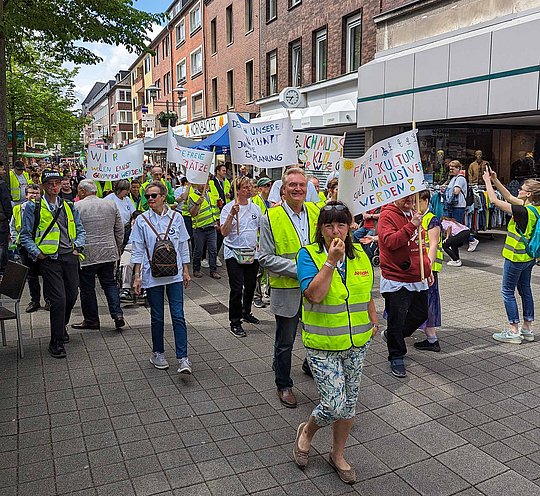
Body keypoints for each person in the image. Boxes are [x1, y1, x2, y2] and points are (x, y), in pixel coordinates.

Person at [293, 201, 377, 484]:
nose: (335, 230)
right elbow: (314, 295)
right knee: (333, 403)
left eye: (341, 223)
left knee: (349, 405)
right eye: (328, 224)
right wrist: (330, 262)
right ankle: (307, 431)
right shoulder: (309, 255)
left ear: (350, 226)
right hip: (323, 344)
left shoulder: (360, 254)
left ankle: (337, 454)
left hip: (356, 344)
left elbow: (366, 292)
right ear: (320, 228)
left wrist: (374, 320)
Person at [259, 167, 321, 408]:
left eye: (301, 185)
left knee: (315, 333)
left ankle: (309, 365)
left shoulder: (317, 212)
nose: (297, 189)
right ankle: (283, 384)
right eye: (292, 185)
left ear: (307, 189)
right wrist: (302, 269)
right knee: (285, 341)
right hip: (287, 290)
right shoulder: (270, 218)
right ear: (283, 190)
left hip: (316, 288)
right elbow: (265, 258)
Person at [19, 169, 85, 359]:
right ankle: (55, 341)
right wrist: (38, 254)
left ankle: (61, 326)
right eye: (50, 183)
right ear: (43, 186)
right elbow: (25, 235)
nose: (54, 186)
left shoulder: (69, 206)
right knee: (58, 300)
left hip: (69, 258)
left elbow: (80, 230)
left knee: (72, 295)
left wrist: (78, 247)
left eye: (57, 182)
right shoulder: (34, 207)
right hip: (50, 260)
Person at [131, 181, 192, 373]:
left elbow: (182, 245)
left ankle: (183, 358)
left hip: (174, 273)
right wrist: (137, 275)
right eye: (147, 196)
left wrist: (186, 270)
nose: (150, 199)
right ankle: (158, 353)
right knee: (157, 316)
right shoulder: (141, 220)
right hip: (152, 275)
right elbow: (138, 249)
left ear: (163, 196)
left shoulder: (177, 217)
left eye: (154, 195)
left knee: (178, 315)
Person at [378, 194, 432, 378]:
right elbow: (390, 242)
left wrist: (427, 268)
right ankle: (396, 354)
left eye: (412, 195)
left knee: (421, 314)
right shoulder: (387, 215)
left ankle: (394, 336)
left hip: (418, 276)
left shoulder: (414, 213)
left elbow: (421, 245)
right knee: (397, 318)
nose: (410, 199)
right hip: (397, 277)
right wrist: (411, 226)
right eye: (405, 196)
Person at [483, 169, 540, 344]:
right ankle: (528, 328)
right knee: (525, 290)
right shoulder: (534, 208)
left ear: (528, 194)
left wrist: (486, 181)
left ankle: (513, 330)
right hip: (529, 258)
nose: (518, 191)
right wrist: (495, 179)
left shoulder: (523, 212)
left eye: (521, 189)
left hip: (515, 257)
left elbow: (494, 200)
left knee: (507, 291)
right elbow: (508, 197)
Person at [72, 179, 125, 331]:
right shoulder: (110, 204)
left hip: (87, 254)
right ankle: (117, 314)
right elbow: (119, 229)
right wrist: (117, 246)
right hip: (108, 251)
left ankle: (91, 320)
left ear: (82, 191)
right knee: (109, 283)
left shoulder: (77, 206)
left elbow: (73, 230)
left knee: (87, 288)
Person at [220, 176, 262, 337]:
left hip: (252, 253)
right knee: (237, 288)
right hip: (233, 252)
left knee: (250, 285)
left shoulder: (255, 208)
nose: (249, 189)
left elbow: (261, 228)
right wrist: (231, 214)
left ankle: (246, 312)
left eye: (250, 186)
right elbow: (224, 232)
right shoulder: (228, 208)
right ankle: (235, 321)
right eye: (245, 187)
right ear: (237, 190)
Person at [10, 184, 46, 312]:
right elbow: (13, 226)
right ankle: (34, 301)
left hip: (41, 246)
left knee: (46, 275)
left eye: (36, 193)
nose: (34, 195)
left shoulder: (45, 208)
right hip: (24, 246)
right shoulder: (18, 208)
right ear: (26, 195)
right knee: (31, 276)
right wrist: (16, 239)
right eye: (31, 193)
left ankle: (48, 301)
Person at [416, 190, 443, 351]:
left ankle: (432, 339)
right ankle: (431, 337)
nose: (414, 204)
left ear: (426, 201)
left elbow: (433, 244)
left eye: (417, 201)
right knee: (422, 300)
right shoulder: (419, 218)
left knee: (428, 301)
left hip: (428, 269)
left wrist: (428, 268)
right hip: (419, 268)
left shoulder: (431, 220)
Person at [189, 179, 221, 279]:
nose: (204, 185)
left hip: (211, 227)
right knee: (198, 250)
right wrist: (197, 204)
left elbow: (213, 209)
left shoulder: (210, 194)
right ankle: (196, 269)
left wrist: (217, 220)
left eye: (205, 183)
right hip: (199, 228)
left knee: (213, 250)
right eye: (202, 183)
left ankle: (213, 270)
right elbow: (192, 213)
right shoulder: (193, 196)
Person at [444, 160, 479, 252]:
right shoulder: (453, 178)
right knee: (452, 226)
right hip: (453, 205)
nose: (451, 170)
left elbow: (456, 191)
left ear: (458, 168)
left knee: (458, 228)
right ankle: (451, 243)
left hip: (458, 205)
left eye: (453, 168)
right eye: (450, 168)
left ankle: (472, 240)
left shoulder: (460, 179)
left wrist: (446, 191)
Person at [252, 177, 272, 308]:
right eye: (267, 186)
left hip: (268, 241)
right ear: (260, 188)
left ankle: (266, 292)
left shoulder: (271, 202)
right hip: (258, 242)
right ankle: (256, 296)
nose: (270, 188)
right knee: (257, 272)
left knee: (267, 270)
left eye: (270, 185)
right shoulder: (255, 202)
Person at [0, 164, 12, 274]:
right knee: (2, 245)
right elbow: (6, 202)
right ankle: (3, 269)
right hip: (1, 221)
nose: (4, 171)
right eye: (2, 169)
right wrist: (10, 217)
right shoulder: (2, 184)